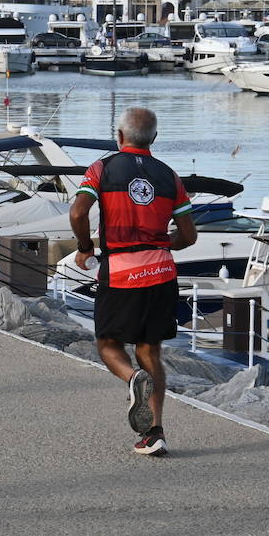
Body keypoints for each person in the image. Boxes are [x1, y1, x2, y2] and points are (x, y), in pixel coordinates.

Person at [68, 107, 197, 457]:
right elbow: (189, 236)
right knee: (149, 350)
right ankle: (155, 434)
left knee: (108, 345)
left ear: (119, 136)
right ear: (154, 138)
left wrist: (85, 247)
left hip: (121, 273)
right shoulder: (170, 176)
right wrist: (160, 244)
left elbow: (78, 212)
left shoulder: (102, 168)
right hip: (161, 274)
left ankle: (131, 379)